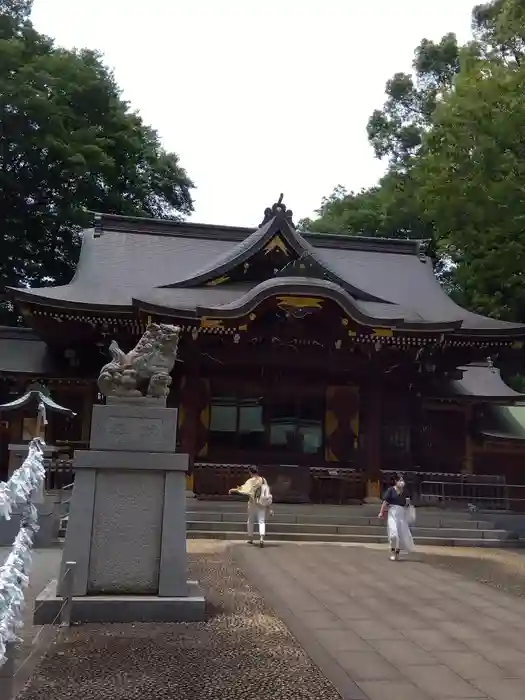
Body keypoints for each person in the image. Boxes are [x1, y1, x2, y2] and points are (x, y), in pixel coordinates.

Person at [228, 466, 273, 548]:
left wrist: (233, 490)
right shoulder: (263, 480)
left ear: (250, 472)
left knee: (250, 520)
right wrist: (269, 508)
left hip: (252, 503)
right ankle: (261, 539)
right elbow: (267, 493)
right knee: (261, 521)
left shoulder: (250, 481)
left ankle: (251, 538)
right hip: (262, 504)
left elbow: (243, 489)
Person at [378, 474, 414, 561]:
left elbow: (408, 503)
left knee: (401, 535)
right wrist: (381, 512)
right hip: (392, 513)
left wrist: (408, 505)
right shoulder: (391, 490)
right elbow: (385, 502)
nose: (402, 482)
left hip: (401, 514)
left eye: (403, 480)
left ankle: (397, 553)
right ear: (396, 481)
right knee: (394, 534)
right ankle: (393, 551)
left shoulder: (405, 491)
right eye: (400, 480)